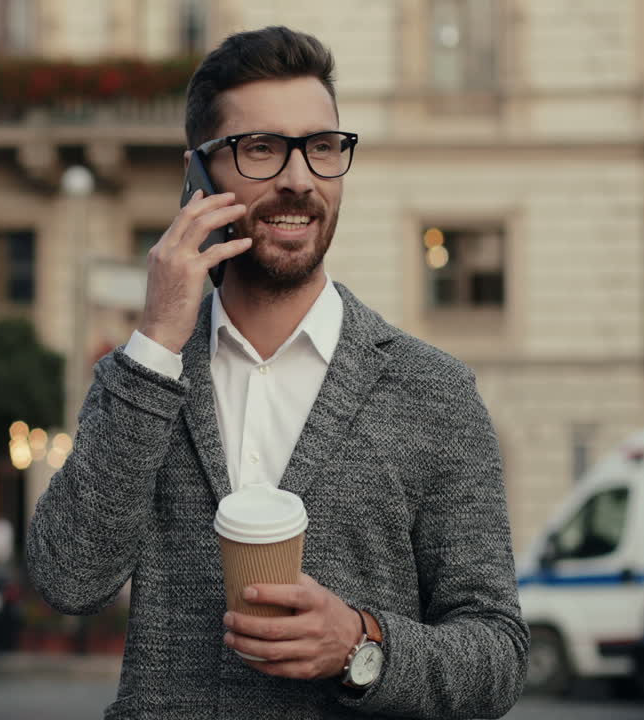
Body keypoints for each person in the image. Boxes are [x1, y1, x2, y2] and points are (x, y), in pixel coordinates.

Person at [27, 26, 528, 719]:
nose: (299, 178)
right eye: (261, 149)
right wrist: (154, 341)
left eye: (322, 148)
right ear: (199, 176)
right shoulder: (142, 378)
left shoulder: (432, 392)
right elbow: (68, 578)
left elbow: (498, 655)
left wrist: (359, 645)